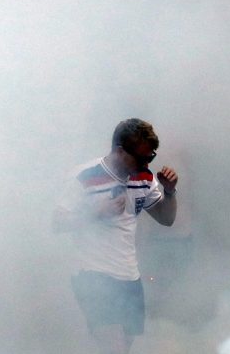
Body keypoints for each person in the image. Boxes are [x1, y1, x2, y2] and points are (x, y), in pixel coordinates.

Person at [52, 118, 179, 354]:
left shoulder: (144, 178)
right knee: (115, 347)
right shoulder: (85, 176)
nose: (145, 163)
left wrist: (170, 193)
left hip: (129, 276)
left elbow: (166, 219)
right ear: (120, 151)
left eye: (150, 157)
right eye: (141, 158)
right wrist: (96, 212)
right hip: (93, 274)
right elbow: (57, 222)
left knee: (123, 347)